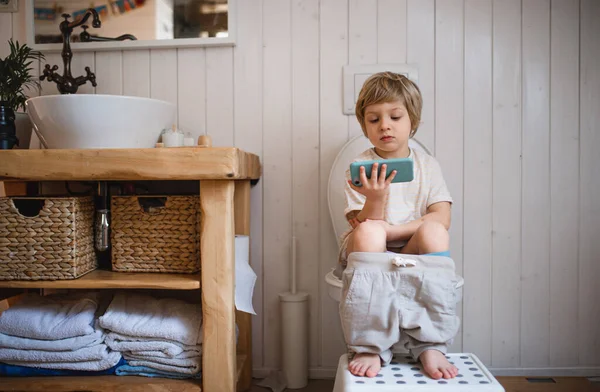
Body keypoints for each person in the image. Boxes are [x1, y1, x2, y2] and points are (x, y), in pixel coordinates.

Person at [339, 71, 459, 380]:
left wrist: (395, 232)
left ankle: (431, 342)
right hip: (368, 248)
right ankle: (370, 345)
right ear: (365, 125)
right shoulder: (360, 169)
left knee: (434, 231)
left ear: (412, 121)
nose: (385, 125)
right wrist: (375, 197)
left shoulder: (428, 166)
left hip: (410, 249)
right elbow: (364, 225)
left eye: (394, 116)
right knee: (369, 231)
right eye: (374, 119)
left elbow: (441, 217)